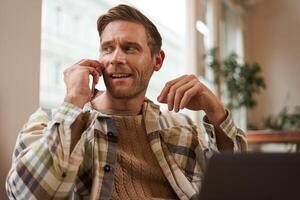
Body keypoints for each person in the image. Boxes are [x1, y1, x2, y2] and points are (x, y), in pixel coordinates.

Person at [6, 4, 247, 200]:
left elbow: (237, 186)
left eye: (130, 48)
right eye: (107, 48)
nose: (116, 59)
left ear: (157, 60)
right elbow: (25, 195)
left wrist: (215, 111)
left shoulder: (180, 128)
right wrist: (72, 102)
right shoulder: (50, 123)